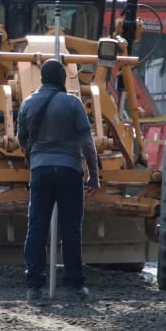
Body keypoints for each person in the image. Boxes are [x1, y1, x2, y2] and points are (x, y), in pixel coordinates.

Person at [17, 59, 100, 303]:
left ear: (41, 78)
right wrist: (93, 176)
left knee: (36, 229)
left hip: (40, 171)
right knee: (71, 229)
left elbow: (22, 140)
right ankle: (74, 285)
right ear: (62, 78)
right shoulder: (73, 103)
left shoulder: (27, 103)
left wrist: (36, 153)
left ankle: (34, 287)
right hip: (69, 171)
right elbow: (87, 144)